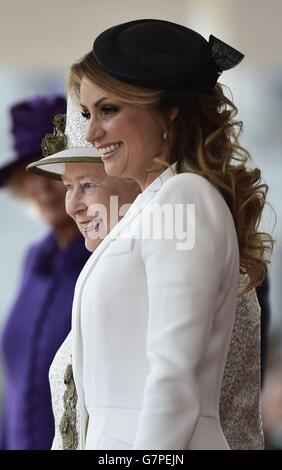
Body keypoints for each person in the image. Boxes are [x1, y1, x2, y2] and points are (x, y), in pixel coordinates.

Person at [29, 20, 273, 450]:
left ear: (169, 112)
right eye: (88, 114)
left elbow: (173, 379)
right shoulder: (155, 205)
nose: (91, 134)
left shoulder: (183, 198)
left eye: (109, 110)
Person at [28, 97, 141, 450]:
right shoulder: (109, 271)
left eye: (89, 184)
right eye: (67, 187)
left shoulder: (157, 276)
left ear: (140, 184)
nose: (72, 205)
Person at [0, 96, 90, 450]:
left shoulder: (106, 257)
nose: (41, 186)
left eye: (50, 170)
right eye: (30, 173)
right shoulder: (34, 259)